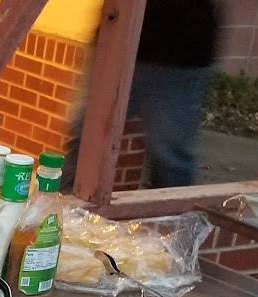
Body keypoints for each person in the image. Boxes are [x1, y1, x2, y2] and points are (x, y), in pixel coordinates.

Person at [65, 0, 222, 189]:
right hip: (117, 41)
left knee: (170, 158)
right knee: (85, 140)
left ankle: (169, 208)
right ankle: (65, 203)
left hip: (179, 53)